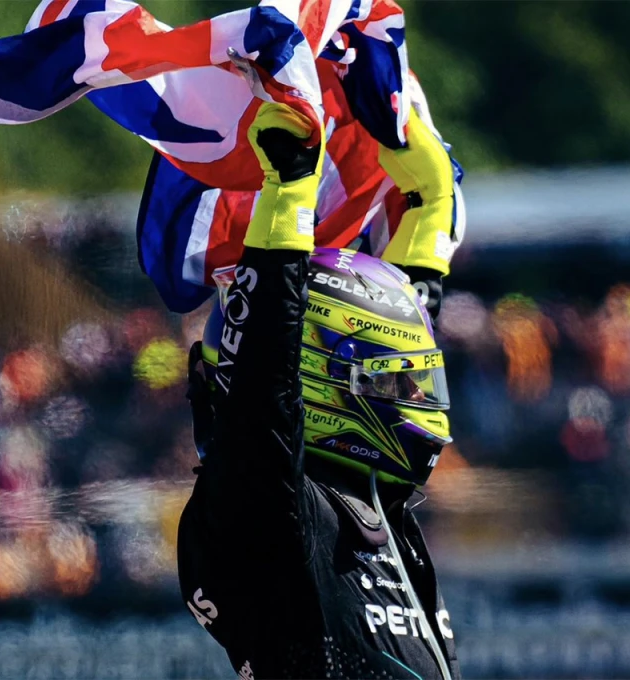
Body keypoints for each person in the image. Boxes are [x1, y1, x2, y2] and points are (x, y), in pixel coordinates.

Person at [179, 98, 461, 679]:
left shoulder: (371, 501)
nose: (415, 395)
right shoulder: (267, 514)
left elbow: (395, 332)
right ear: (322, 381)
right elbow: (263, 394)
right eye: (394, 380)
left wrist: (426, 214)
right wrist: (287, 193)